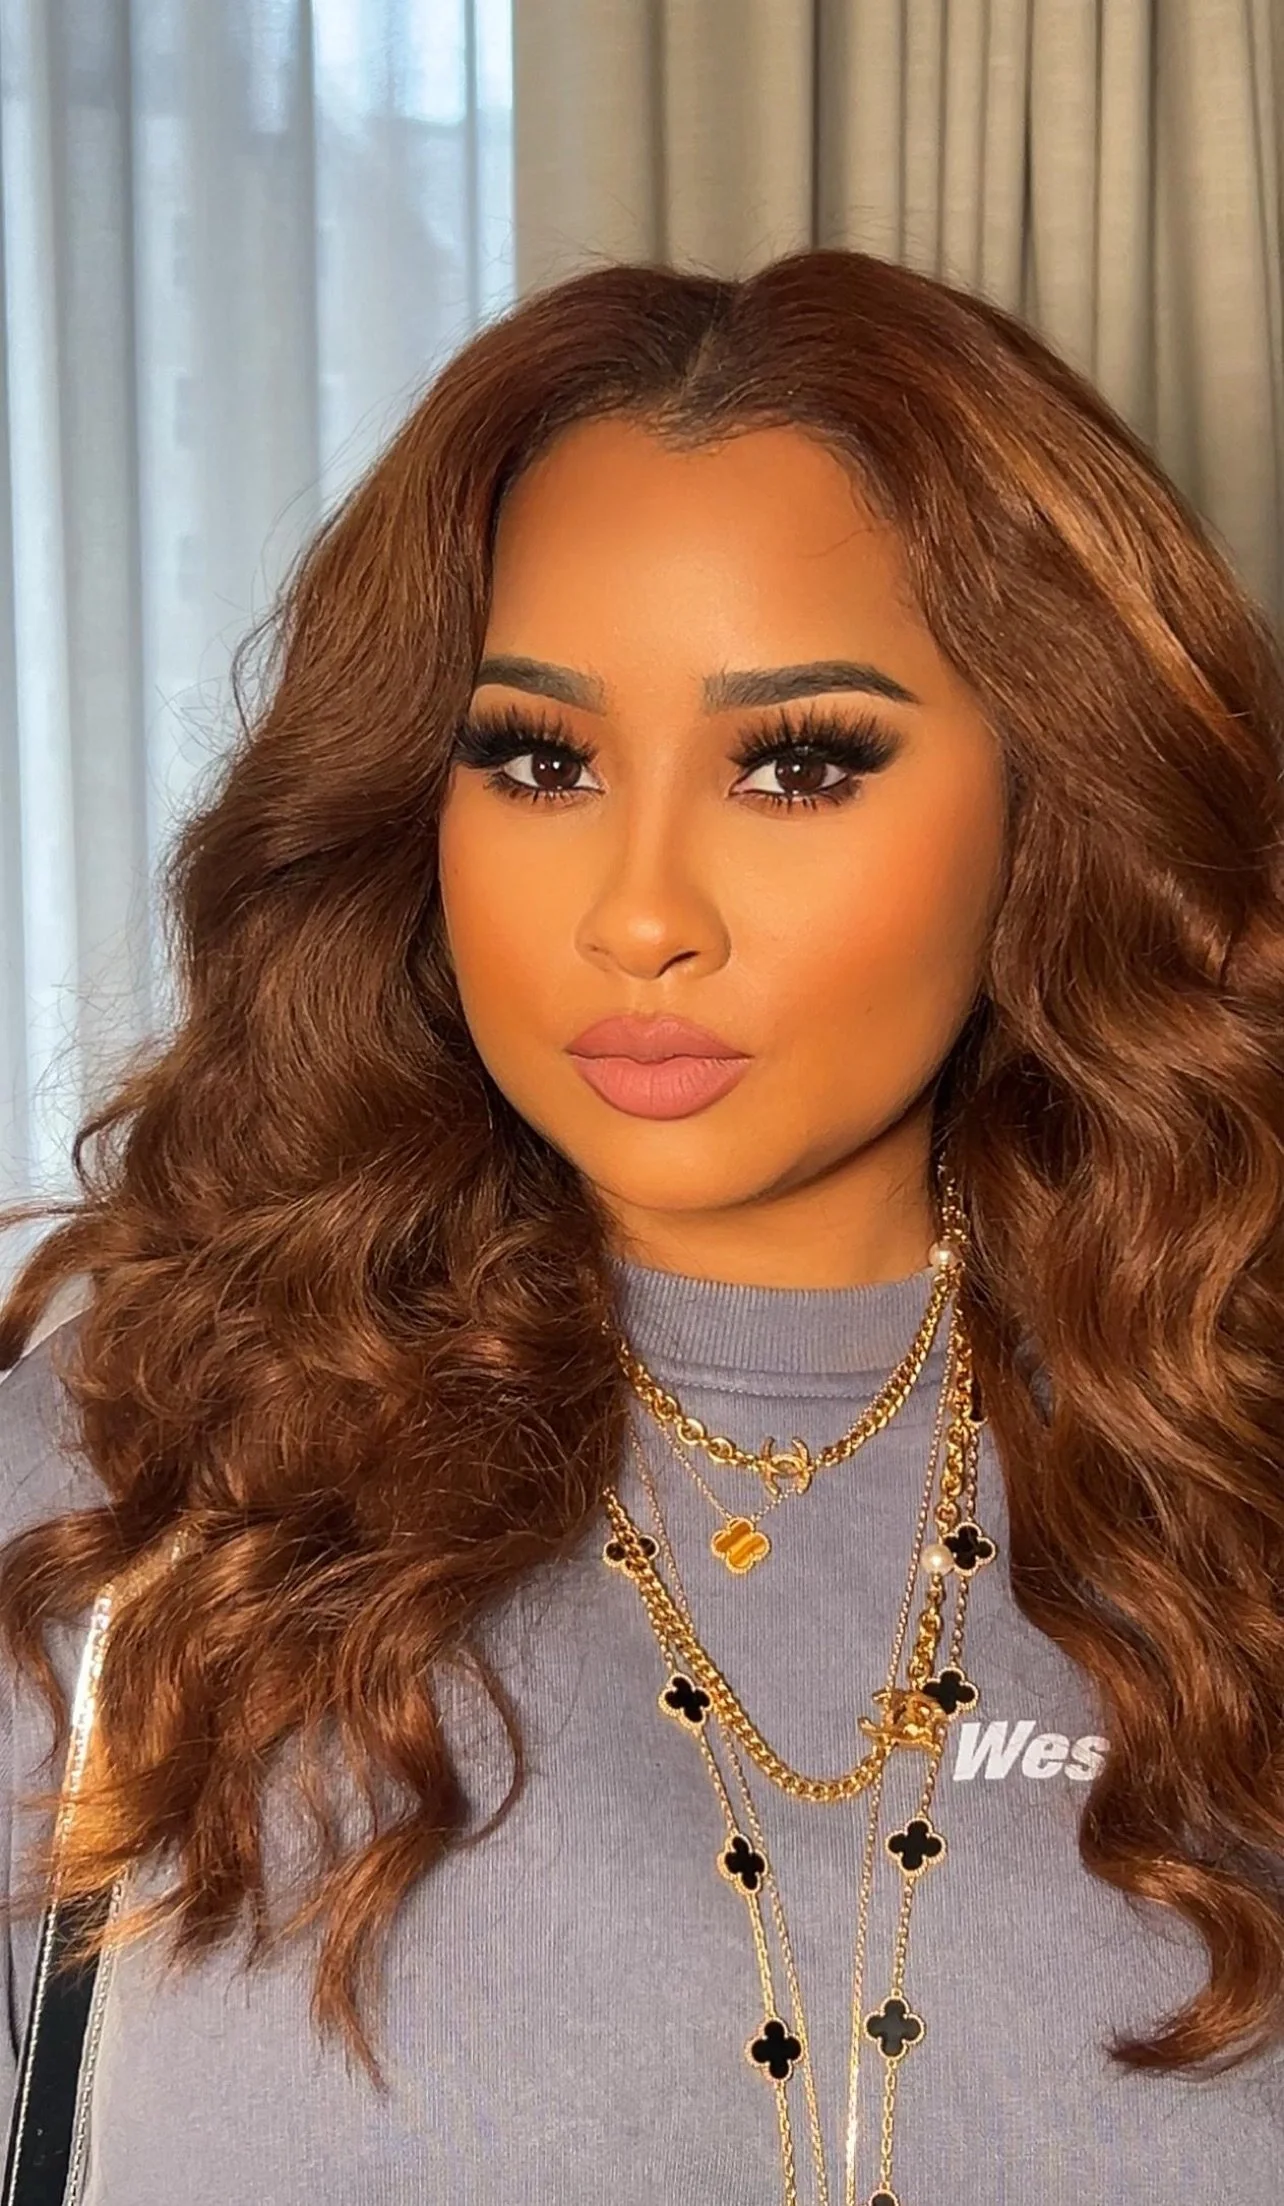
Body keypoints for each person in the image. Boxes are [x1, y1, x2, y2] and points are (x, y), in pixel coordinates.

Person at [0, 245, 1281, 2206]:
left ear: (1053, 802)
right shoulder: (111, 1503)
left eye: (800, 761)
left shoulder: (1233, 1471)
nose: (640, 909)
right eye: (539, 757)